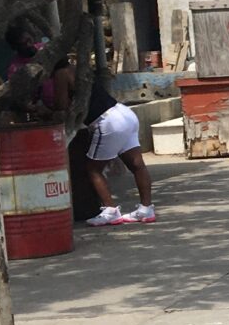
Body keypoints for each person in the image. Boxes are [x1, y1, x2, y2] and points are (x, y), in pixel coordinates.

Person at [44, 56, 156, 226]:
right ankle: (146, 209)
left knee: (93, 168)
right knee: (137, 164)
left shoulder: (61, 73)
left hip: (107, 121)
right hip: (123, 113)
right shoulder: (77, 68)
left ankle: (110, 210)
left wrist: (47, 107)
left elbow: (61, 105)